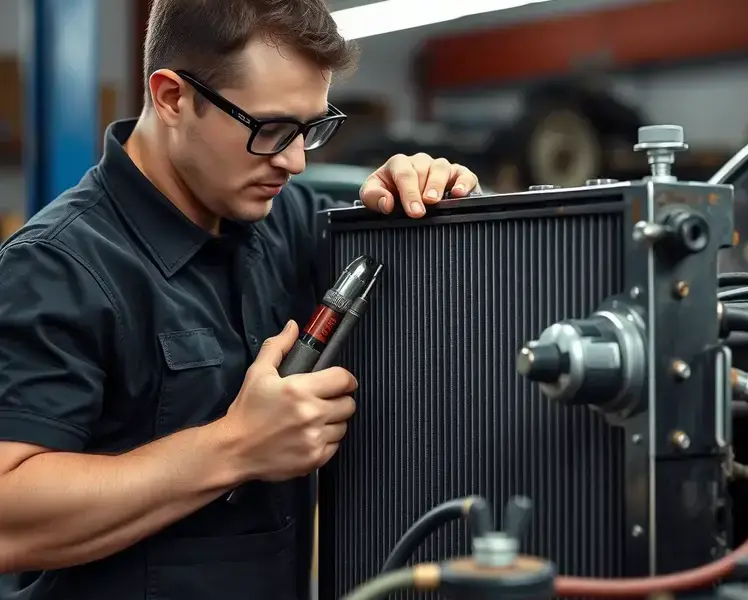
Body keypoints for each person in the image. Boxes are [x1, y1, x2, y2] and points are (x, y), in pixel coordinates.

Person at [0, 1, 481, 599]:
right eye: (271, 130)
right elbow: (7, 517)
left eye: (311, 129)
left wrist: (417, 196)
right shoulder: (57, 264)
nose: (296, 161)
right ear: (172, 97)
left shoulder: (290, 224)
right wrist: (236, 447)